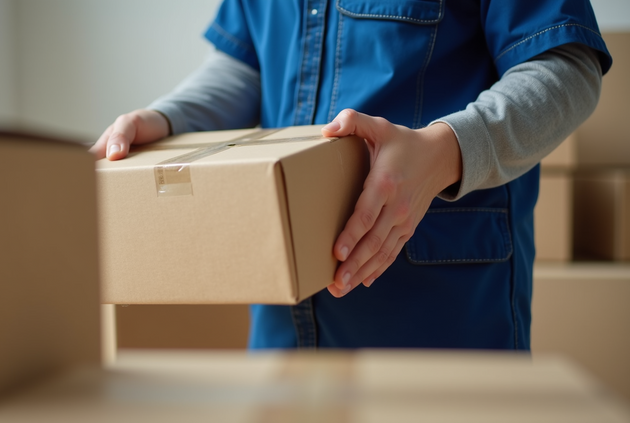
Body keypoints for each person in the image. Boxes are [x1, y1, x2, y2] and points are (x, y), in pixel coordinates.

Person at [91, 0, 612, 350]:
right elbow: (244, 66)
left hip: (439, 319)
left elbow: (566, 67)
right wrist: (166, 118)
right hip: (283, 325)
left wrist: (444, 152)